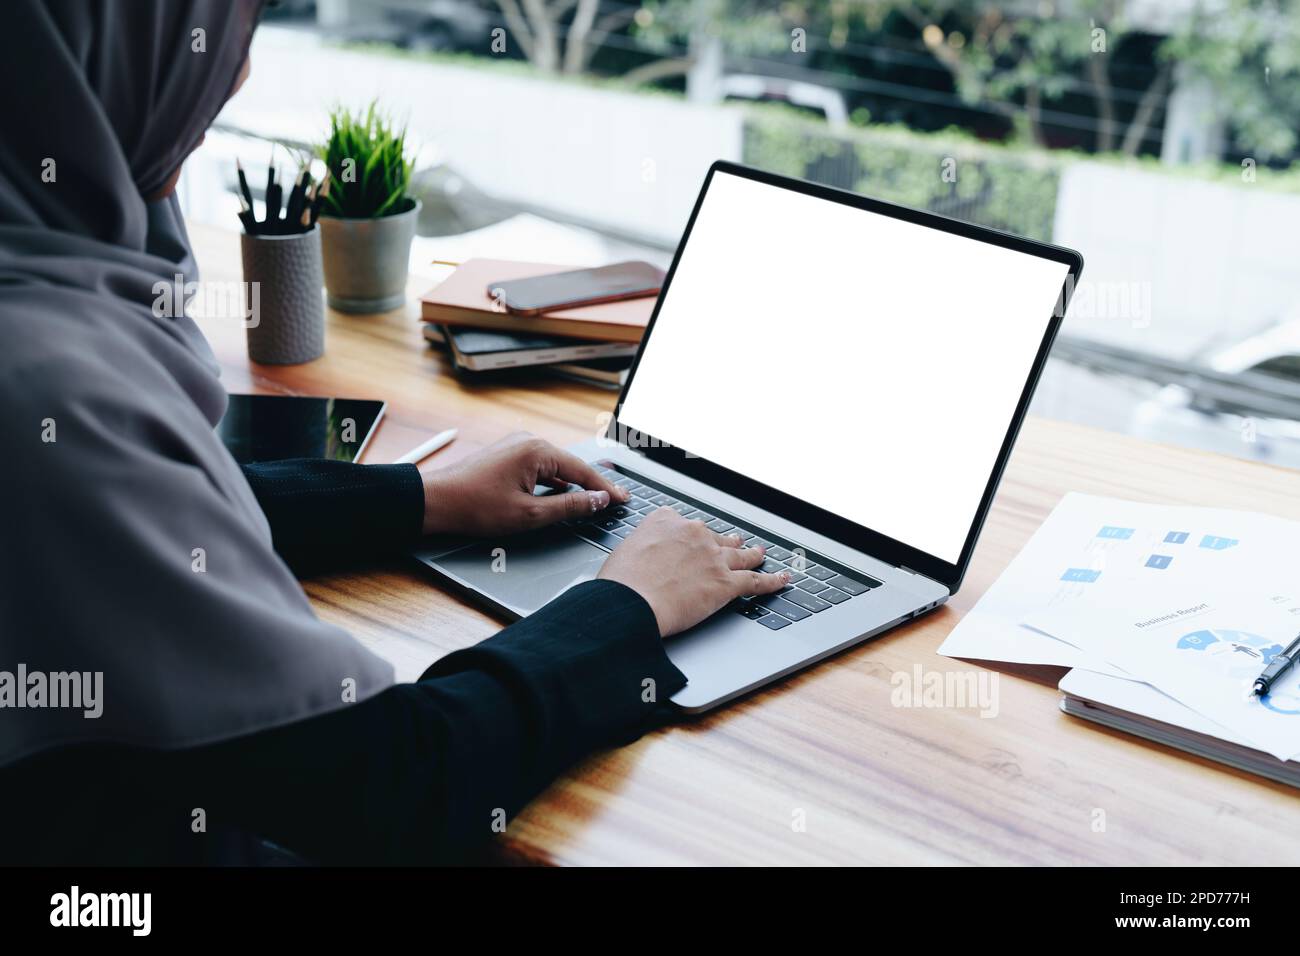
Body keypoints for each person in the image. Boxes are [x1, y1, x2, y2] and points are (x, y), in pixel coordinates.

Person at [0, 0, 787, 864]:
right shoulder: (49, 380)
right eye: (218, 40)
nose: (238, 76)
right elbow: (399, 785)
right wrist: (625, 605)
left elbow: (141, 517)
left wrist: (424, 497)